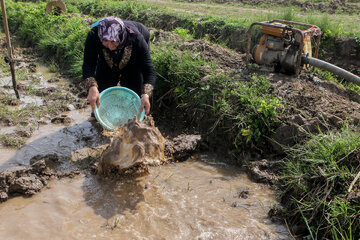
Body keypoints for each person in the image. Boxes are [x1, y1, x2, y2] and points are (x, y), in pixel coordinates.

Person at [82, 16, 155, 118]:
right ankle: (101, 119)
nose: (110, 46)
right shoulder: (94, 36)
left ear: (120, 36)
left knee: (135, 91)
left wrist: (146, 95)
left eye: (113, 41)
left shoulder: (137, 39)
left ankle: (137, 116)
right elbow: (88, 65)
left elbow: (148, 71)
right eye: (106, 42)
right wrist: (92, 87)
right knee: (102, 91)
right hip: (105, 59)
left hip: (133, 58)